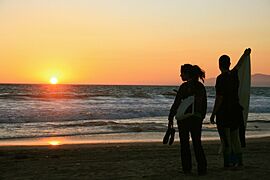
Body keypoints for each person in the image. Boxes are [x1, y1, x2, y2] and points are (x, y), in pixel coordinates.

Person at [210, 48, 251, 168]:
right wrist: (245, 55)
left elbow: (219, 98)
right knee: (235, 139)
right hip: (235, 112)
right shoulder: (234, 75)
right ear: (229, 64)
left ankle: (227, 163)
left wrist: (213, 114)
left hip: (224, 113)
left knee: (226, 140)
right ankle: (239, 162)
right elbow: (239, 65)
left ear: (219, 65)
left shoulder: (220, 78)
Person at [168, 64, 207, 175]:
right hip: (196, 119)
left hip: (184, 120)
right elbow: (204, 104)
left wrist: (170, 117)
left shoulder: (184, 87)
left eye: (182, 73)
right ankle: (202, 168)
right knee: (197, 143)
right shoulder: (200, 87)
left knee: (184, 144)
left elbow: (176, 104)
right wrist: (201, 117)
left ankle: (187, 168)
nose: (180, 75)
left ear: (187, 73)